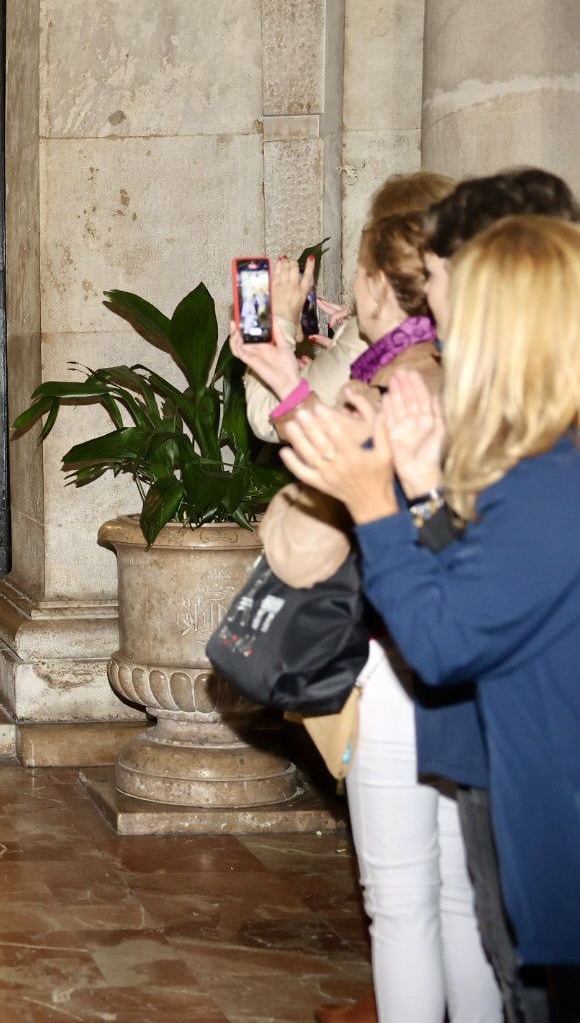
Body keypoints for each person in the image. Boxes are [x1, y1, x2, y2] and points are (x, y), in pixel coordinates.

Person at [278, 215, 580, 1019]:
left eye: (451, 298)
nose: (436, 324)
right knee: (478, 929)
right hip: (517, 770)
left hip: (552, 794)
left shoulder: (551, 474)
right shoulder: (537, 454)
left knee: (453, 927)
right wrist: (424, 496)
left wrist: (379, 505)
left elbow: (442, 643)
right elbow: (481, 571)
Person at [239, 215, 501, 1023]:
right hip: (470, 657)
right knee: (463, 897)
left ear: (384, 284)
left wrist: (280, 358)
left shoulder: (395, 382)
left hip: (400, 653)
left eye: (359, 271)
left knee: (401, 901)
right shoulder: (468, 372)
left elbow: (323, 477)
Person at [243, 171, 456, 443]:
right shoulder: (452, 331)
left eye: (361, 270)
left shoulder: (371, 347)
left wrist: (274, 328)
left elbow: (270, 418)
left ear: (381, 282)